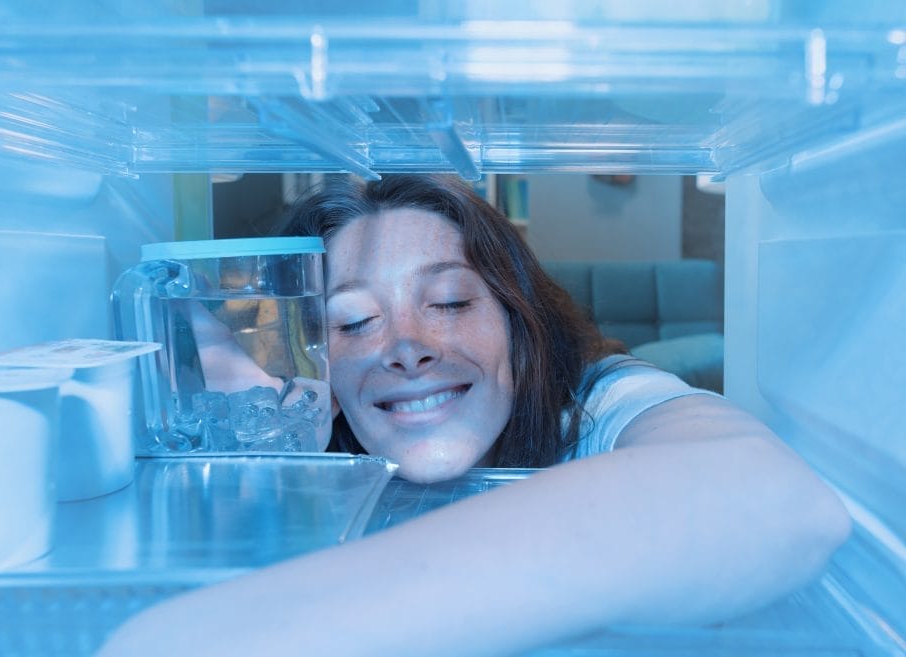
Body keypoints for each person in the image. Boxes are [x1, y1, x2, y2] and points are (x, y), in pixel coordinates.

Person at [98, 174, 851, 657]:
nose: (406, 347)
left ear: (520, 327)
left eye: (451, 302)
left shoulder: (599, 399)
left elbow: (777, 500)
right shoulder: (308, 423)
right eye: (354, 322)